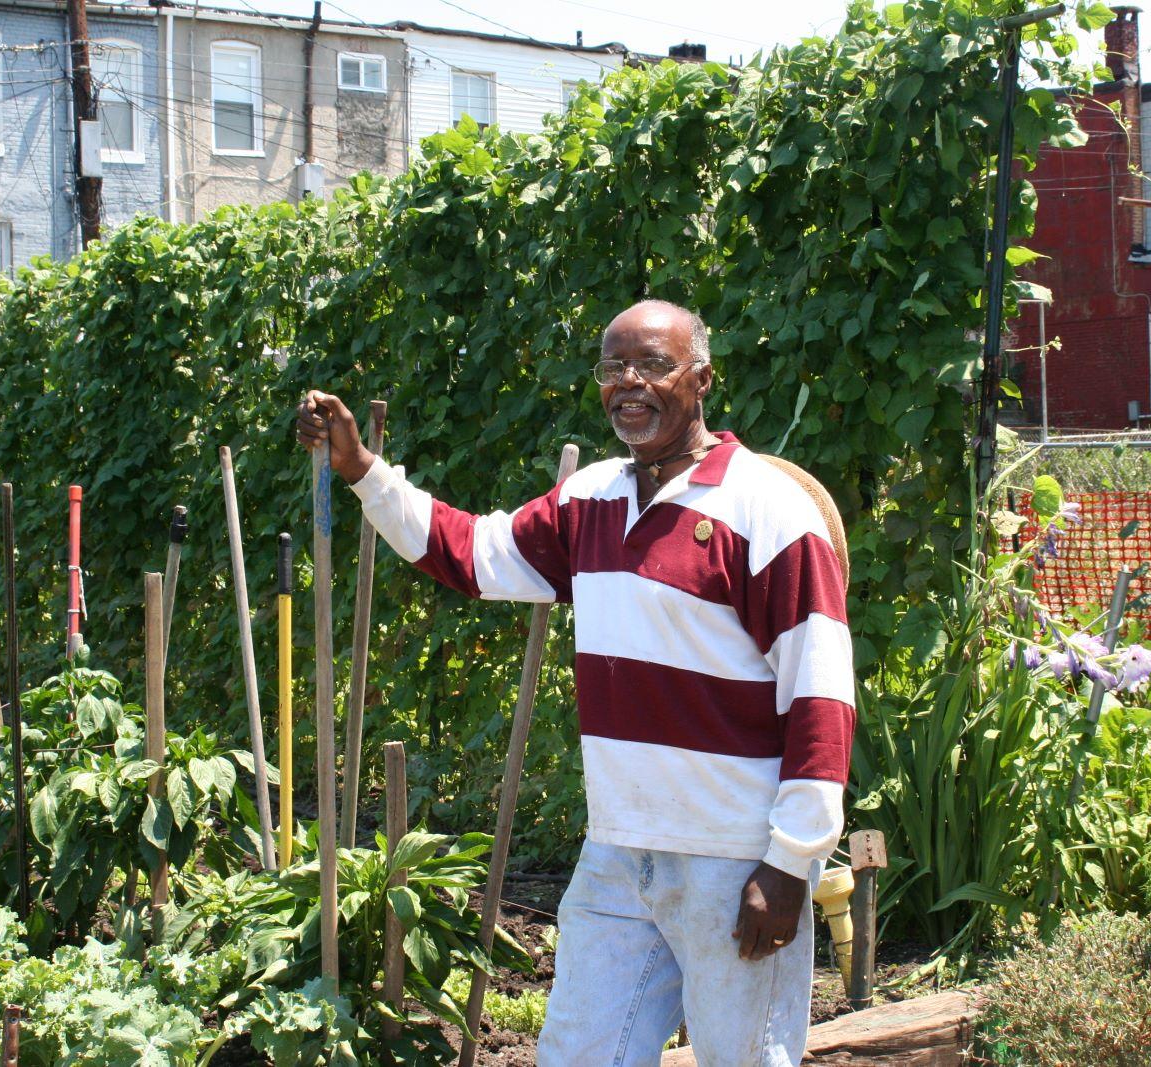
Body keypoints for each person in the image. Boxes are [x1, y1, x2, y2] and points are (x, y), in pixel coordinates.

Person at [297, 299, 854, 1066]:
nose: (630, 381)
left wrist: (791, 863)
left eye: (653, 363)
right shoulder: (589, 501)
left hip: (734, 858)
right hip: (618, 852)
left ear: (702, 377)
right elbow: (472, 553)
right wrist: (362, 471)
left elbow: (822, 694)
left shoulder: (769, 511)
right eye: (613, 365)